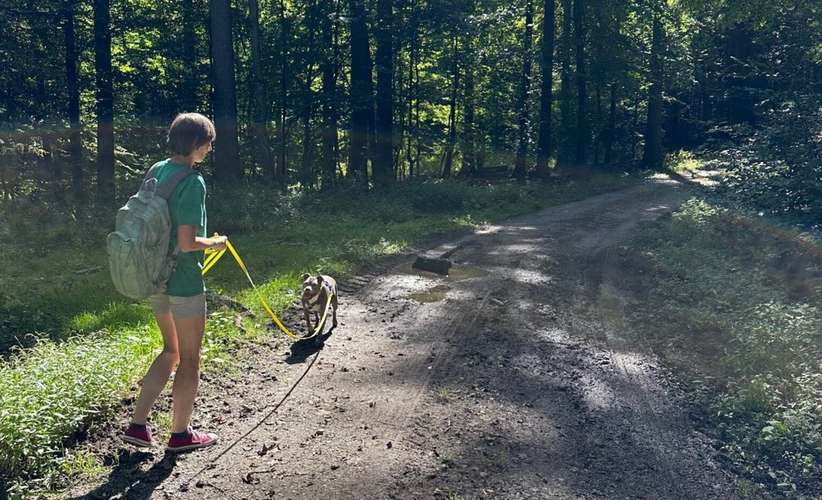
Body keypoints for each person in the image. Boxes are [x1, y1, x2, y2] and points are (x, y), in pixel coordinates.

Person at [122, 113, 227, 452]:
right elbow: (186, 242)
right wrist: (215, 242)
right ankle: (180, 435)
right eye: (208, 144)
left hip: (155, 278)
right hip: (182, 282)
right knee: (190, 358)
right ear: (196, 144)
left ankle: (137, 426)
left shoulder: (157, 170)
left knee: (171, 351)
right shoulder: (192, 181)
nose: (209, 150)